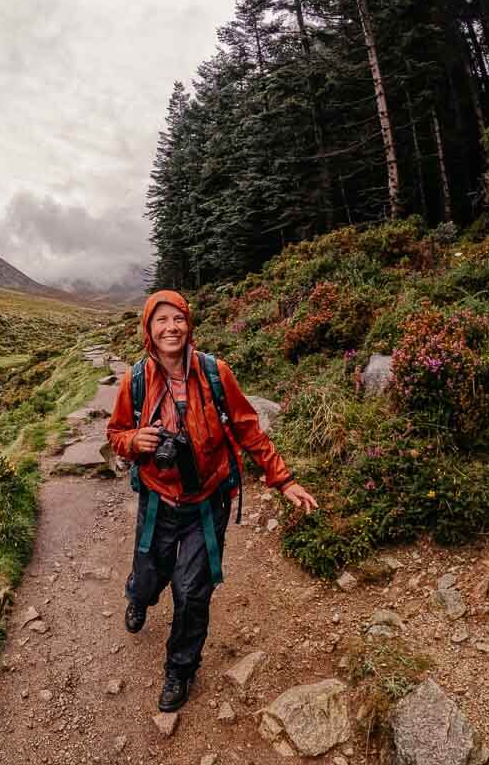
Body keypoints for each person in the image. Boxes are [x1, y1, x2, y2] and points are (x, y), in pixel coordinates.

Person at [107, 289, 317, 712]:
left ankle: (179, 669)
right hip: (158, 501)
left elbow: (248, 430)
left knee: (191, 592)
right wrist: (135, 440)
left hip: (207, 503)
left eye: (178, 319)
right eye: (161, 321)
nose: (171, 328)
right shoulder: (136, 380)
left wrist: (284, 479)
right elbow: (115, 435)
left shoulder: (215, 373)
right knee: (150, 574)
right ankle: (140, 597)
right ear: (148, 330)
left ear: (189, 324)